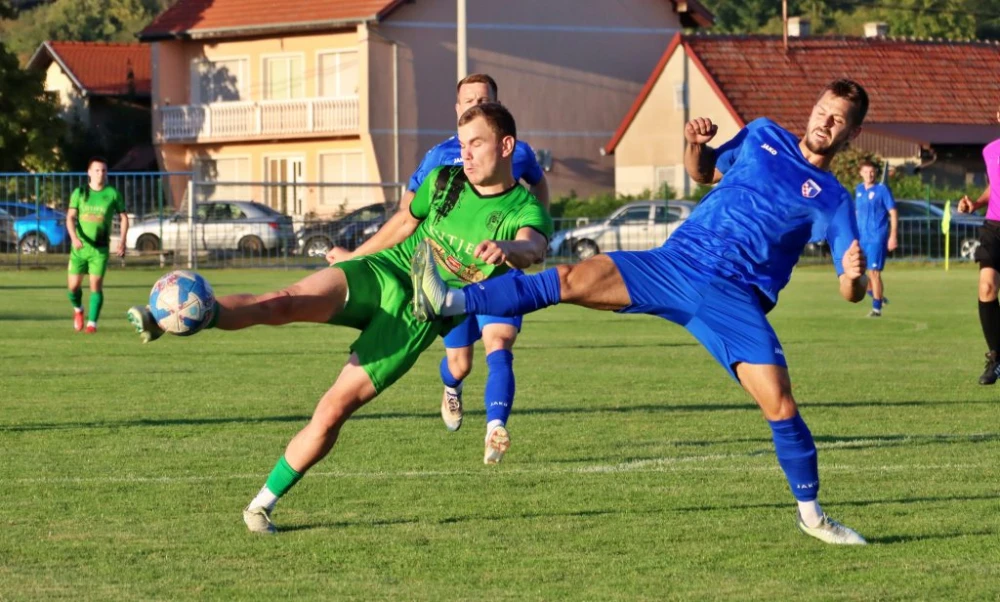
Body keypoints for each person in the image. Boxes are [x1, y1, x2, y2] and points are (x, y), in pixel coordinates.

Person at [412, 80, 873, 545]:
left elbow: (848, 291)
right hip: (675, 263)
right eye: (821, 110)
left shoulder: (833, 199)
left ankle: (812, 518)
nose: (824, 121)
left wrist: (853, 277)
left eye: (838, 119)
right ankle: (449, 300)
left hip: (734, 299)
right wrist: (695, 144)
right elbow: (704, 172)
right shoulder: (762, 134)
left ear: (852, 134)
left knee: (780, 403)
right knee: (572, 279)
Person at [127, 103, 551, 534]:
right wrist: (354, 257)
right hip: (383, 271)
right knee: (284, 300)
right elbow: (404, 224)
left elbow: (533, 246)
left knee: (332, 410)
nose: (467, 155)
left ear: (506, 145)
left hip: (415, 319)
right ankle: (172, 319)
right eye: (462, 145)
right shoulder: (445, 181)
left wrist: (507, 249)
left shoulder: (523, 208)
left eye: (475, 144)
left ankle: (260, 506)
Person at [327, 73, 550, 441]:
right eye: (469, 100)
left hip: (498, 272)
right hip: (451, 279)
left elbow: (538, 185)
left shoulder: (518, 151)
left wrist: (535, 227)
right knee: (460, 365)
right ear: (457, 108)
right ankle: (451, 387)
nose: (476, 105)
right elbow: (407, 214)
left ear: (496, 103)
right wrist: (365, 257)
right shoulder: (440, 158)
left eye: (484, 99)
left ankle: (496, 428)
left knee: (500, 342)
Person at [957, 106, 1000, 384]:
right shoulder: (990, 151)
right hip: (994, 226)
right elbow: (993, 186)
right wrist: (976, 203)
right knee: (986, 287)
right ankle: (996, 359)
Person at [66, 157, 128, 333]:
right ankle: (78, 310)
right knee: (73, 287)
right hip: (79, 248)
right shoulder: (80, 193)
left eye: (104, 170)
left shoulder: (112, 194)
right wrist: (74, 238)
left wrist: (122, 241)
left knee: (95, 285)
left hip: (100, 249)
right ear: (89, 172)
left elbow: (123, 217)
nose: (101, 173)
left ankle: (92, 323)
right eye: (97, 170)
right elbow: (70, 217)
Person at [854, 159, 898, 317]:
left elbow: (893, 213)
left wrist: (893, 236)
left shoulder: (882, 190)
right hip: (861, 237)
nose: (869, 175)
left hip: (876, 237)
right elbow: (857, 213)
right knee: (858, 273)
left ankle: (876, 308)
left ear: (876, 173)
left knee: (874, 273)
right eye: (866, 172)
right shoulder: (859, 189)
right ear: (861, 173)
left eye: (872, 172)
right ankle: (878, 297)